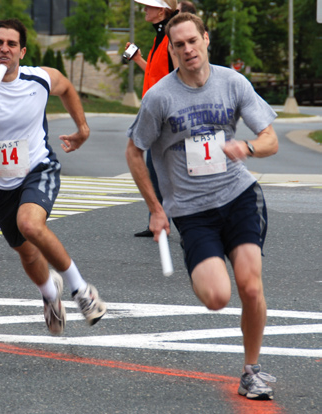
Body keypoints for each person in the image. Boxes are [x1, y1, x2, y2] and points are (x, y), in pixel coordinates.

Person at [126, 12, 278, 400]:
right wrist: (156, 208)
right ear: (172, 50)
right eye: (179, 45)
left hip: (239, 196)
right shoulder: (159, 96)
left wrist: (246, 147)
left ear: (206, 39)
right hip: (192, 212)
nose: (188, 49)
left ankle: (251, 369)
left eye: (193, 40)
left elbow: (270, 139)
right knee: (216, 298)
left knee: (250, 285)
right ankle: (202, 261)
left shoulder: (233, 82)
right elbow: (133, 151)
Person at [0, 19, 106, 335]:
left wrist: (83, 129)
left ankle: (81, 290)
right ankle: (50, 294)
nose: (4, 49)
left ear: (22, 51)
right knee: (27, 253)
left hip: (37, 168)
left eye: (11, 44)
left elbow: (67, 87)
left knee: (29, 224)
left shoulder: (39, 78)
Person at [127, 0, 179, 237]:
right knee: (155, 167)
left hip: (167, 113)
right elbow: (158, 74)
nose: (144, 9)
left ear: (161, 11)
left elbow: (177, 75)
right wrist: (138, 58)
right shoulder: (161, 37)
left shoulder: (170, 37)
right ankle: (159, 219)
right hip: (156, 111)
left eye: (148, 6)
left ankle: (169, 220)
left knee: (162, 168)